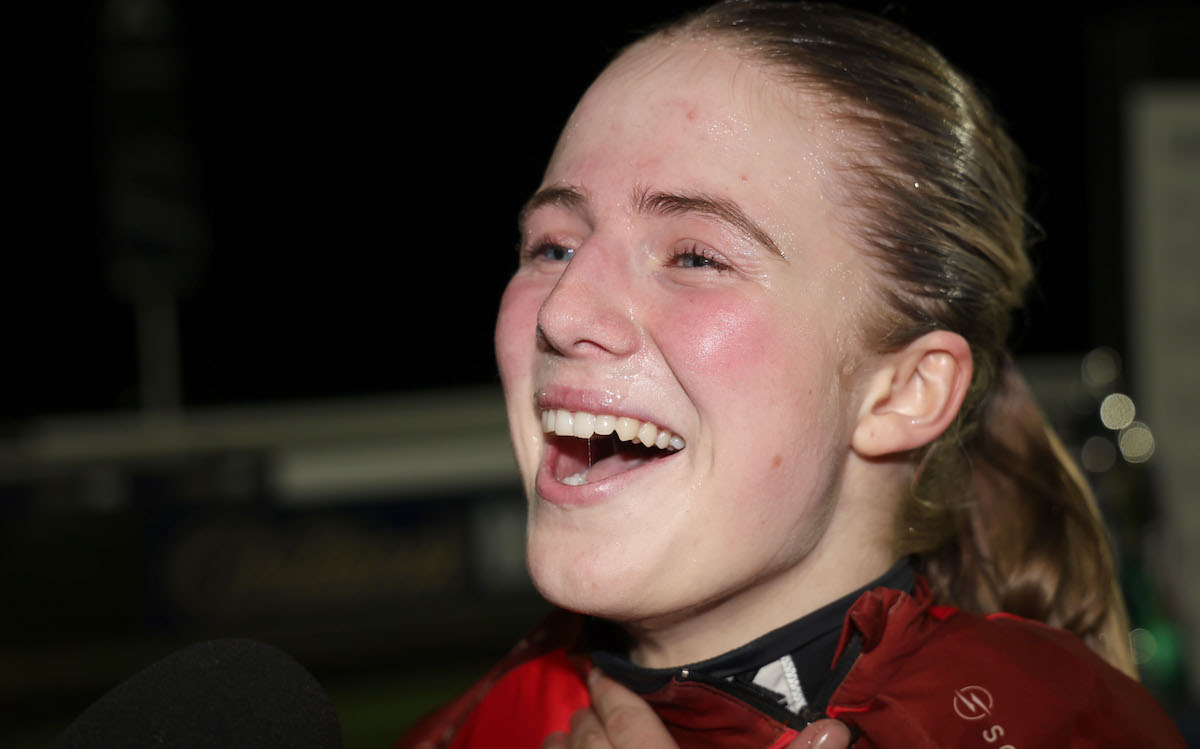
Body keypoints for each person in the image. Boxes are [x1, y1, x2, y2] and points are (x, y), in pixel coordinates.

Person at [399, 2, 1185, 746]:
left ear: (906, 391)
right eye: (553, 247)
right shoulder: (469, 729)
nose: (563, 311)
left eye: (696, 256)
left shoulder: (1058, 726)